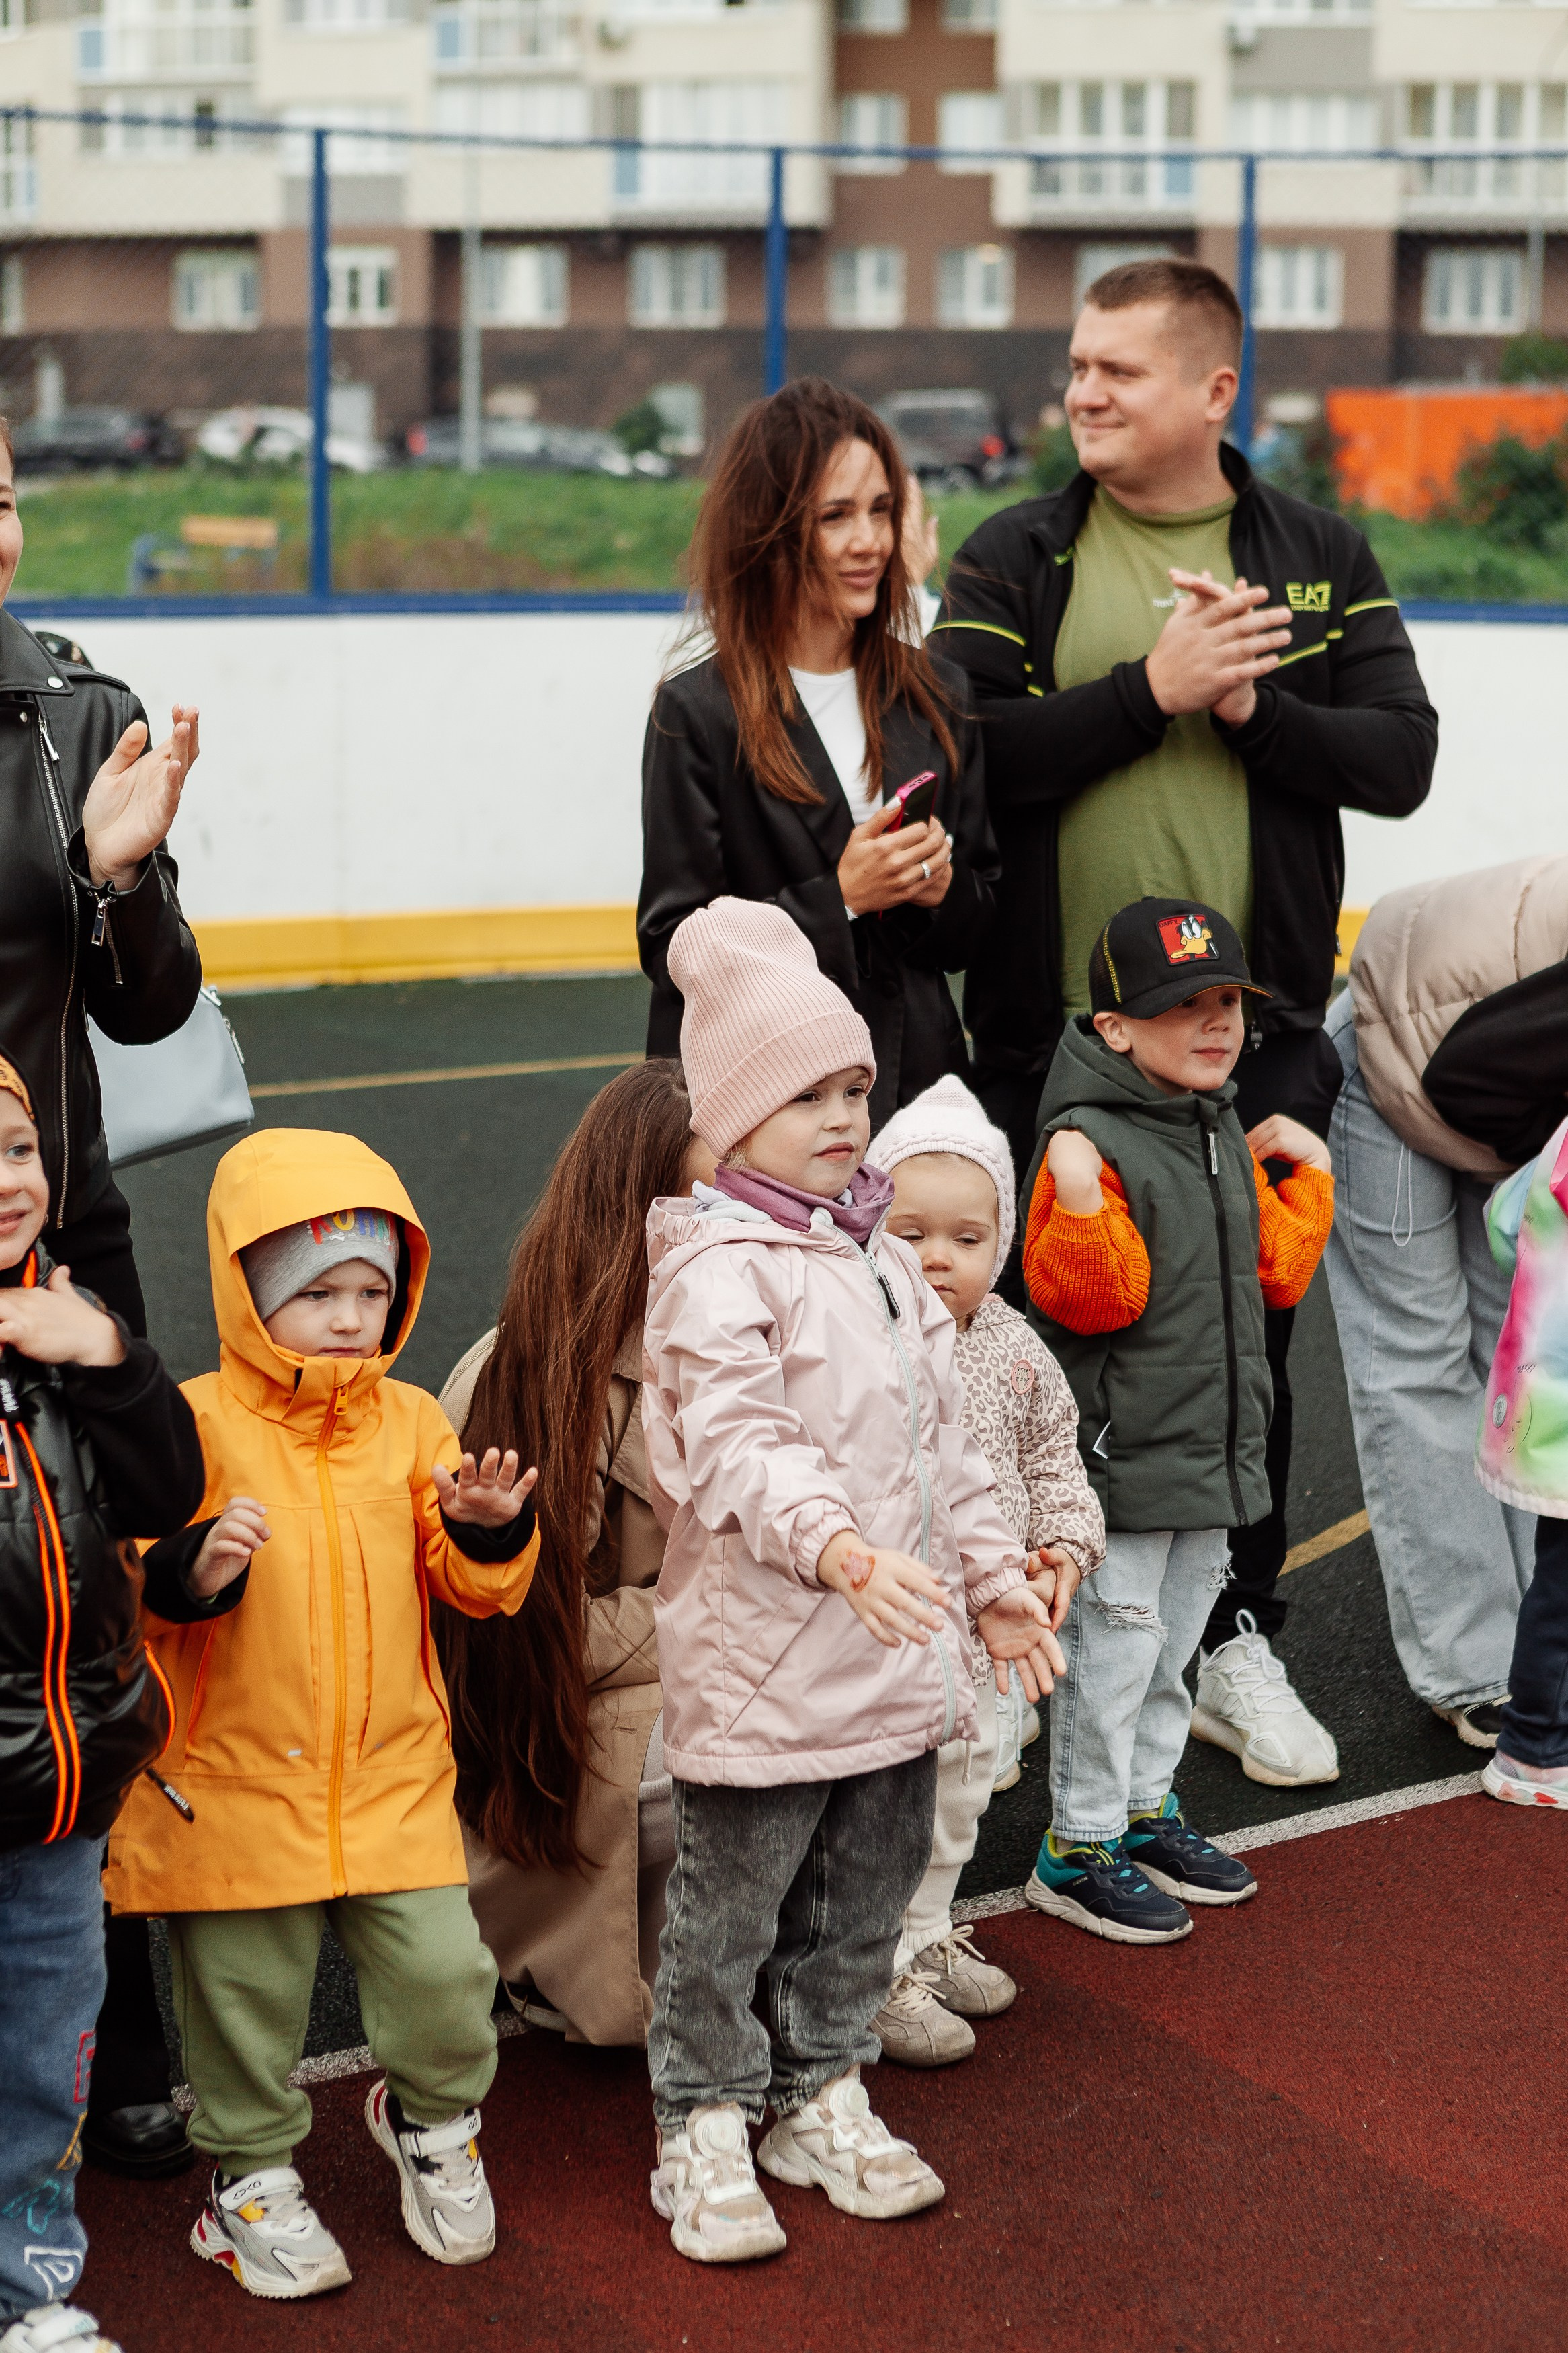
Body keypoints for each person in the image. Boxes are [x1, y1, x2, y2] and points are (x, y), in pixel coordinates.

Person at [935, 258, 1437, 1773]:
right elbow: (970, 760)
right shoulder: (1014, 555)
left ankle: (1228, 1640)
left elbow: (1399, 756)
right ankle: (1010, 1637)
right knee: (1020, 1348)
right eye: (1075, 366)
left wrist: (1249, 708)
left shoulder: (1315, 556)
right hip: (1048, 1042)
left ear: (1212, 392)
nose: (1079, 390)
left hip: (1250, 1039)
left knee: (1235, 1363)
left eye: (1115, 370)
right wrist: (1150, 687)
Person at [640, 898, 1061, 2264]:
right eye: (804, 1092)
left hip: (891, 1656)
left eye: (852, 1088)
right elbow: (740, 1446)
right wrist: (835, 1548)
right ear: (729, 1114)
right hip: (767, 1669)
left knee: (859, 1903)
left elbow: (949, 1449)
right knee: (729, 1909)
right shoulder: (713, 1271)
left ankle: (817, 2090)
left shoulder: (878, 1260)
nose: (838, 1115)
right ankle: (700, 2123)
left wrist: (989, 1581)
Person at [103, 1129, 540, 2301]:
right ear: (245, 1293)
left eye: (372, 1292)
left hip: (391, 1777)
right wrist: (188, 1575)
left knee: (451, 1980)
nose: (350, 1317)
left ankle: (433, 2120)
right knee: (242, 2011)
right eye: (316, 1292)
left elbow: (472, 1582)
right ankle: (247, 2181)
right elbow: (126, 1589)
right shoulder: (188, 1425)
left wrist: (488, 1525)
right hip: (235, 1790)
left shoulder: (409, 1424)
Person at [0, 413, 208, 2180]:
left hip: (53, 1240)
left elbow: (145, 1015)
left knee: (95, 1614)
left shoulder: (77, 713)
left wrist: (119, 877)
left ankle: (116, 2038)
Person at [1020, 900, 1335, 1941]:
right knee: (1111, 1652)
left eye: (1227, 1003)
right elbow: (1094, 1301)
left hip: (1211, 1456)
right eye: (1182, 1006)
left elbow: (1276, 1279)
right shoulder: (1088, 1142)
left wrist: (1310, 1182)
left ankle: (1145, 1808)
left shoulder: (1216, 1131)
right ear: (1113, 1028)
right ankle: (1075, 1845)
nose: (1216, 1025)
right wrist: (1072, 1201)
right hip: (1122, 1463)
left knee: (1173, 1652)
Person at [435, 1060, 712, 2047]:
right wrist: (723, 1611)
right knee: (706, 1726)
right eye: (705, 1199)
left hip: (678, 1656)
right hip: (554, 1751)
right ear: (631, 1209)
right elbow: (521, 1642)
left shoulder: (752, 1333)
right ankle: (554, 1959)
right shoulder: (535, 1376)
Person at [637, 376, 999, 1131]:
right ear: (767, 529)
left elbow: (979, 922)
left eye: (879, 510)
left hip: (916, 1098)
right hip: (761, 1107)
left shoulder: (940, 691)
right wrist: (837, 897)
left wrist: (938, 888)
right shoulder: (697, 710)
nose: (869, 540)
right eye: (835, 516)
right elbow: (672, 942)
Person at [0, 1050, 204, 2353]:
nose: (5, 1181)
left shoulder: (67, 1324)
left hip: (64, 1806)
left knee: (40, 2062)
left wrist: (115, 1354)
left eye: (17, 1149)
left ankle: (30, 2285)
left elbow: (167, 1491)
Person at [867, 1075, 1105, 2066]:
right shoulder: (862, 1342)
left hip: (992, 1635)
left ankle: (927, 1932)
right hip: (895, 1633)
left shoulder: (1012, 1344)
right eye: (909, 1231)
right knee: (891, 1806)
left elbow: (1057, 1458)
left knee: (964, 1795)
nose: (936, 1258)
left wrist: (1067, 1546)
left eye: (966, 1239)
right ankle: (877, 1966)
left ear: (999, 1243)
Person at [1321, 858, 1568, 1748]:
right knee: (1417, 1354)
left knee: (1514, 1355)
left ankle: (1532, 1645)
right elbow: (1475, 1084)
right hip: (1399, 1060)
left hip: (1496, 1078)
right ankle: (1472, 1665)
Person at [1475, 1115, 1568, 1809]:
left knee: (1559, 1574)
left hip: (1543, 1396)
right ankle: (1531, 1749)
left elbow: (1504, 1217)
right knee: (1562, 1588)